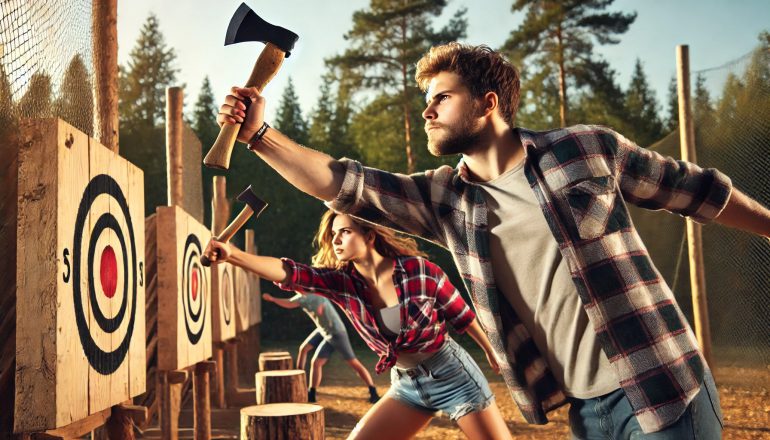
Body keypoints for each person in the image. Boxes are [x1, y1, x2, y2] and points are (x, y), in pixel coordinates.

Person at [215, 43, 770, 439]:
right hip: (586, 409)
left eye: (442, 97)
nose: (427, 110)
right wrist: (260, 135)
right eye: (426, 101)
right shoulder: (444, 199)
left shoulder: (585, 149)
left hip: (662, 383)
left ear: (488, 103)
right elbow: (342, 184)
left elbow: (699, 191)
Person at [205, 210, 513, 439]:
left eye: (345, 232)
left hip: (453, 376)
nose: (336, 240)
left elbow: (462, 314)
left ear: (369, 235)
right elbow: (289, 273)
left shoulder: (420, 270)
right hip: (407, 385)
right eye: (333, 235)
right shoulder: (342, 284)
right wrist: (233, 255)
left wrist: (490, 351)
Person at [262, 290, 380, 403]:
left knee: (354, 363)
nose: (292, 288)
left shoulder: (315, 295)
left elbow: (322, 302)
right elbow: (289, 303)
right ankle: (309, 392)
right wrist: (272, 299)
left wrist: (321, 308)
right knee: (311, 358)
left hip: (336, 333)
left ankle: (373, 392)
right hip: (324, 331)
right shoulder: (301, 298)